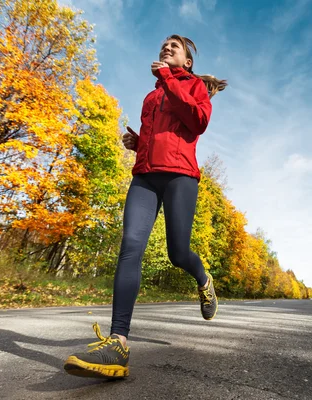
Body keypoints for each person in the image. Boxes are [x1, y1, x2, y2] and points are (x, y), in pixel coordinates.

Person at [63, 35, 227, 379]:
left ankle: (202, 277)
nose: (166, 48)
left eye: (174, 47)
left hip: (181, 176)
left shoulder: (194, 86)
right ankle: (118, 343)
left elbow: (197, 122)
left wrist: (169, 79)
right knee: (130, 248)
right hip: (145, 177)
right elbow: (163, 134)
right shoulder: (152, 96)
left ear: (187, 62)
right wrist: (138, 143)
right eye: (164, 45)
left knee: (178, 253)